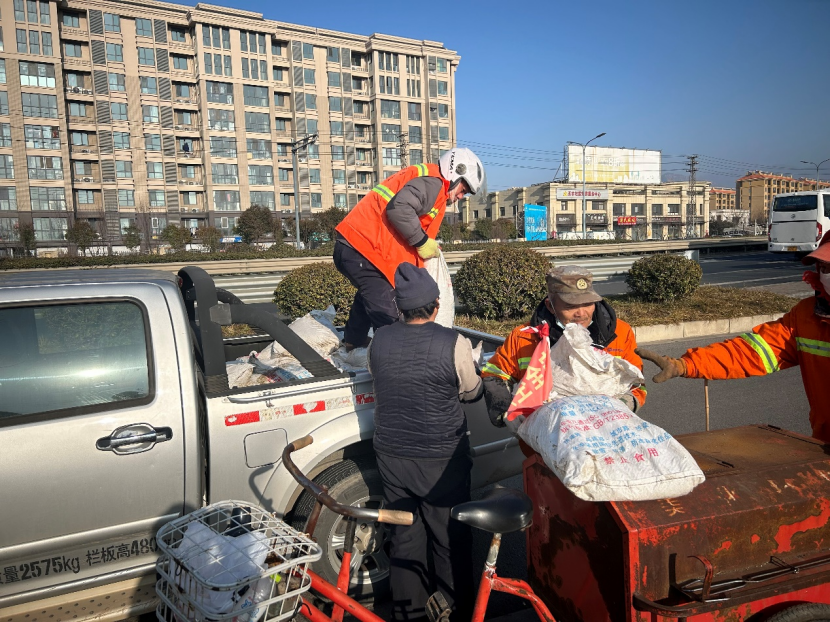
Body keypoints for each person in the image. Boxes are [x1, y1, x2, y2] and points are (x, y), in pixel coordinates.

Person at [367, 263, 483, 622]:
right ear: (436, 305)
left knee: (405, 537)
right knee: (449, 538)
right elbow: (471, 392)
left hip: (391, 455)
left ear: (400, 308)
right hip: (441, 459)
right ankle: (453, 609)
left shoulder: (379, 339)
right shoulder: (454, 342)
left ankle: (410, 614)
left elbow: (378, 375)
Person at [637, 231, 830, 443]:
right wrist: (685, 365)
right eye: (825, 267)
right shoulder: (806, 317)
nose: (827, 274)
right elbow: (750, 353)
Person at [334, 148, 485, 349]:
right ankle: (394, 357)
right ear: (455, 173)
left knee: (373, 292)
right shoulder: (434, 184)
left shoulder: (430, 182)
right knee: (389, 315)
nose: (461, 196)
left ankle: (354, 341)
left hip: (359, 248)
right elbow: (400, 208)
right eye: (463, 190)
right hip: (361, 249)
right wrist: (422, 242)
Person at [481, 265, 647, 425]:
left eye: (588, 303)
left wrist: (622, 406)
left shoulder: (620, 332)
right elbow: (496, 373)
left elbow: (637, 383)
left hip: (608, 431)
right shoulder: (524, 337)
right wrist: (504, 412)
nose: (581, 313)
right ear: (550, 306)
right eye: (570, 306)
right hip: (545, 437)